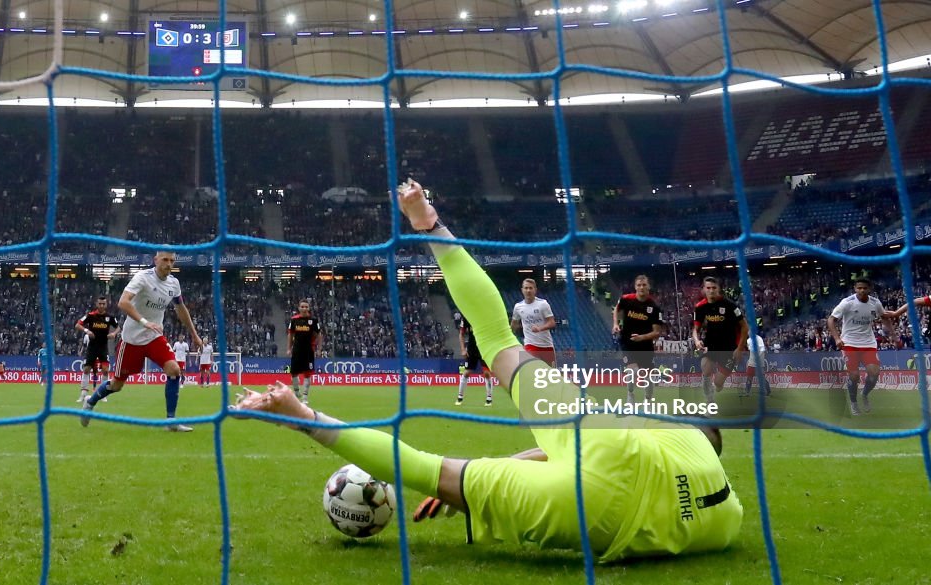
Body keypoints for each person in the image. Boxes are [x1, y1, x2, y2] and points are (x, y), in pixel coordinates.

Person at [230, 179, 742, 561]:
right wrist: (479, 482)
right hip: (601, 521)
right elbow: (566, 457)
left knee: (495, 338)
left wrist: (516, 459)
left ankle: (430, 224)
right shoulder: (728, 518)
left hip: (608, 447)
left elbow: (581, 445)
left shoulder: (682, 438)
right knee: (435, 473)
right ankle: (300, 414)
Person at [81, 251, 203, 432]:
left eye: (172, 261)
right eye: (165, 260)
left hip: (154, 337)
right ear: (156, 261)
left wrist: (194, 334)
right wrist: (145, 322)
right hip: (132, 340)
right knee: (117, 384)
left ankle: (171, 421)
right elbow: (123, 302)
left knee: (174, 370)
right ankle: (90, 402)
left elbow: (180, 308)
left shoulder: (174, 283)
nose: (168, 264)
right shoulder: (142, 278)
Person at [827, 278, 898, 416]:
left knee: (874, 374)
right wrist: (836, 338)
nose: (862, 290)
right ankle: (853, 402)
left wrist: (894, 336)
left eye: (865, 288)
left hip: (868, 343)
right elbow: (831, 319)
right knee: (854, 376)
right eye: (859, 288)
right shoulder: (847, 303)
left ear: (869, 289)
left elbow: (884, 317)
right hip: (849, 343)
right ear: (855, 288)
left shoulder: (875, 303)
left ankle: (864, 394)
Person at [692, 277, 748, 404]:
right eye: (708, 288)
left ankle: (718, 386)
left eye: (714, 288)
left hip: (729, 348)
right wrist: (696, 340)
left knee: (718, 383)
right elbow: (695, 329)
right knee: (705, 368)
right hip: (711, 345)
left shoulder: (730, 306)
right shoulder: (700, 307)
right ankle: (709, 401)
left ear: (718, 289)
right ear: (703, 290)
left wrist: (740, 349)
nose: (711, 291)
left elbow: (745, 327)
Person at [612, 275, 665, 403]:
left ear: (649, 287)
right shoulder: (626, 299)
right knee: (632, 371)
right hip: (627, 342)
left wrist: (642, 337)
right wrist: (615, 324)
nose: (641, 287)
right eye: (639, 285)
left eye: (644, 285)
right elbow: (616, 310)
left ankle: (648, 400)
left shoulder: (654, 308)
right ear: (635, 287)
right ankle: (630, 395)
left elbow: (657, 332)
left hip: (645, 345)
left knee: (648, 377)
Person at [75, 295, 120, 403]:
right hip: (92, 347)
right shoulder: (90, 316)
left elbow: (119, 327)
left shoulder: (110, 317)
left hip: (103, 347)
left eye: (103, 304)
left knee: (105, 370)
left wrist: (114, 333)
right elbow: (78, 325)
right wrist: (87, 331)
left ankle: (103, 394)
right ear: (96, 304)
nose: (101, 305)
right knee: (86, 369)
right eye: (99, 303)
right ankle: (83, 394)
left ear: (106, 304)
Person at [511, 278, 556, 366]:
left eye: (531, 288)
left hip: (546, 344)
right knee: (530, 368)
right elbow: (514, 324)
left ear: (535, 290)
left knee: (551, 374)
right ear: (522, 290)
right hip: (530, 344)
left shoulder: (543, 304)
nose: (528, 290)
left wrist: (540, 328)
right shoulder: (518, 307)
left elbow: (552, 322)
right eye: (526, 288)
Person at [287, 299, 323, 403]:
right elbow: (290, 334)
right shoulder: (294, 320)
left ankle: (305, 397)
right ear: (299, 308)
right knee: (293, 373)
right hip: (297, 350)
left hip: (308, 351)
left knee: (307, 374)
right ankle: (296, 391)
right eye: (302, 307)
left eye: (306, 307)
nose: (304, 309)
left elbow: (319, 335)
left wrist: (319, 349)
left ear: (309, 308)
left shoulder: (313, 320)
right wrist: (289, 348)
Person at [456, 314, 493, 406]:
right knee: (467, 373)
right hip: (472, 349)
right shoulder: (466, 317)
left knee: (487, 374)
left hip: (484, 348)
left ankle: (489, 398)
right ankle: (460, 397)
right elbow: (461, 334)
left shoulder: (486, 316)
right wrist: (463, 349)